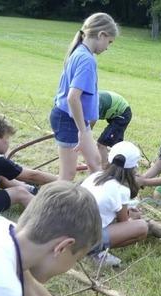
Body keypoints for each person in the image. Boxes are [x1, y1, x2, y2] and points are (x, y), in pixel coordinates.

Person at [50, 13, 119, 181]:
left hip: (77, 120)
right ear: (101, 35)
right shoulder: (86, 59)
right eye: (109, 42)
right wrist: (82, 131)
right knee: (68, 175)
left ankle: (101, 202)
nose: (108, 47)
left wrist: (84, 128)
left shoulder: (82, 53)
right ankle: (53, 206)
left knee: (95, 163)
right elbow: (73, 98)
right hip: (68, 120)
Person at [81, 141, 148, 267]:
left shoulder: (96, 176)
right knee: (142, 227)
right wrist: (133, 217)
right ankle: (94, 252)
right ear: (133, 168)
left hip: (70, 231)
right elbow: (124, 222)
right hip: (85, 239)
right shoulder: (122, 189)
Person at [92, 90, 132, 169]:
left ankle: (104, 169)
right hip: (115, 113)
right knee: (116, 145)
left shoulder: (94, 104)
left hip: (122, 114)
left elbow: (88, 128)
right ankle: (122, 164)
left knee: (101, 144)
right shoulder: (87, 100)